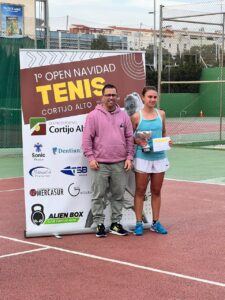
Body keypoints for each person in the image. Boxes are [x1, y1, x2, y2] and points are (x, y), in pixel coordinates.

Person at [82, 83, 134, 238]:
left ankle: (115, 224)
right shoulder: (93, 115)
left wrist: (129, 157)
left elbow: (130, 137)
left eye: (113, 95)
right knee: (98, 196)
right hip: (100, 164)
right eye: (108, 95)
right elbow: (86, 139)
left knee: (118, 196)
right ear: (102, 97)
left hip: (120, 163)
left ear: (117, 97)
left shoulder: (124, 115)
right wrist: (90, 157)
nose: (111, 98)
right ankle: (99, 224)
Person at [131, 86, 171, 236]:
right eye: (150, 97)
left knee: (156, 191)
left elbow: (164, 132)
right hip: (142, 159)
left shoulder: (162, 114)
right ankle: (139, 223)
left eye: (155, 97)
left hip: (159, 158)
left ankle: (155, 223)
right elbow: (130, 138)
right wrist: (139, 141)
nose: (152, 99)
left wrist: (168, 141)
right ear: (142, 98)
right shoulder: (136, 117)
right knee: (140, 191)